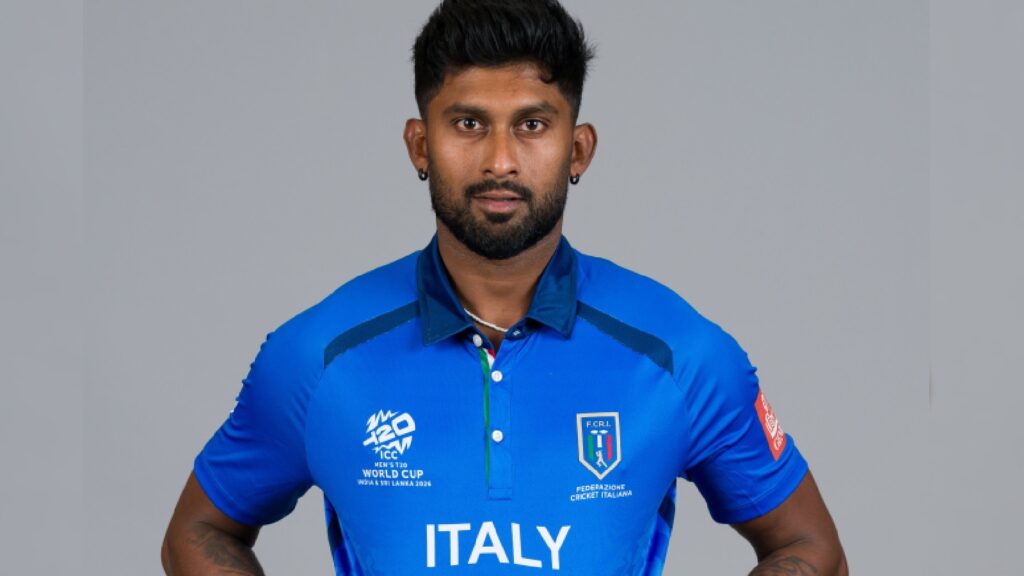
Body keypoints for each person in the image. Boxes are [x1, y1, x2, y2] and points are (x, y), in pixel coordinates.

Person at [162, 1, 847, 574]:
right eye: (468, 124)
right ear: (419, 145)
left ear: (577, 149)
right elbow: (197, 532)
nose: (499, 160)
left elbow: (809, 547)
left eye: (532, 125)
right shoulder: (319, 357)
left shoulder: (678, 354)